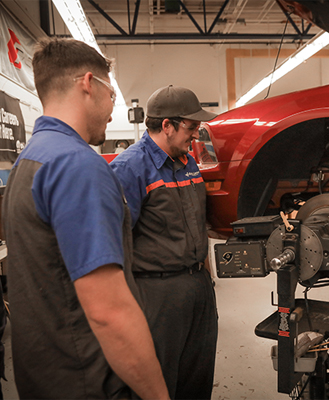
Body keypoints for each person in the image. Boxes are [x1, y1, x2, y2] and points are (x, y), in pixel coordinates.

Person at [2, 38, 169, 399]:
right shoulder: (78, 167)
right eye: (112, 95)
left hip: (46, 377)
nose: (113, 111)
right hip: (90, 382)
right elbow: (108, 312)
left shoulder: (29, 161)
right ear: (88, 84)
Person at [110, 85, 219, 400]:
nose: (196, 134)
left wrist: (206, 278)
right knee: (158, 384)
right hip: (156, 294)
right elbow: (116, 240)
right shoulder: (130, 168)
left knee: (197, 379)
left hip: (197, 286)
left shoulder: (188, 162)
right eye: (191, 126)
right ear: (167, 125)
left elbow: (198, 223)